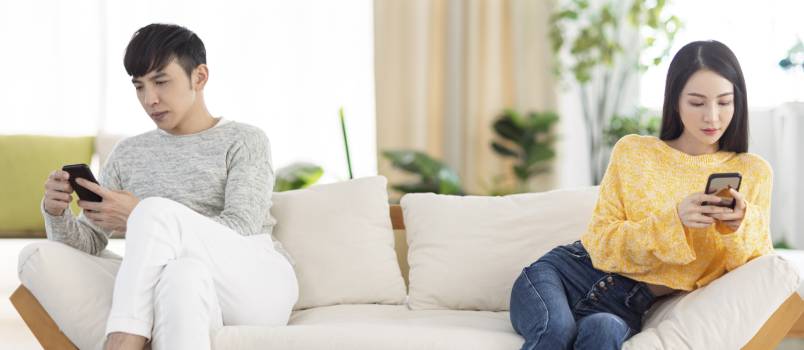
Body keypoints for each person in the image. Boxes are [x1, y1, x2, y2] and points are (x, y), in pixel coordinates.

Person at [36, 23, 298, 350]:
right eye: (139, 86)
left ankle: (122, 340)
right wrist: (56, 212)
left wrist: (141, 216)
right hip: (185, 287)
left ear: (199, 77)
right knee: (180, 275)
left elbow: (241, 226)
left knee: (153, 211)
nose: (150, 99)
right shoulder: (128, 154)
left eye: (161, 82)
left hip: (255, 284)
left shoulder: (244, 140)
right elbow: (88, 242)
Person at [508, 40, 773, 349]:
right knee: (556, 331)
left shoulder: (753, 172)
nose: (712, 117)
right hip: (566, 274)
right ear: (675, 102)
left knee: (604, 332)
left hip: (626, 306)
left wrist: (739, 223)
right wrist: (674, 221)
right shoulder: (634, 152)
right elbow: (601, 242)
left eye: (724, 102)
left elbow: (756, 270)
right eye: (697, 103)